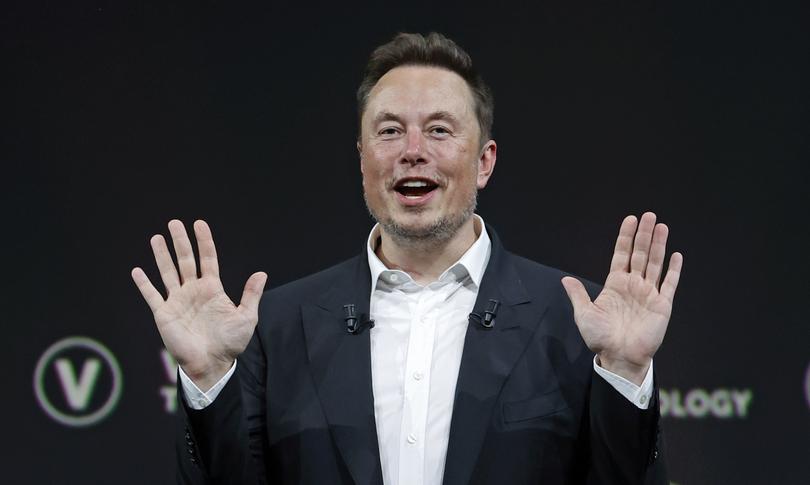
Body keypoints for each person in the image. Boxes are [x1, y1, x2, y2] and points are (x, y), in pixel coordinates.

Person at [132, 32, 683, 485]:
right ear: (363, 158)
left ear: (485, 161)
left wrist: (625, 375)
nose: (412, 150)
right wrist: (208, 380)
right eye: (390, 130)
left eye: (439, 130)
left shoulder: (576, 323)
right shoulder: (274, 328)